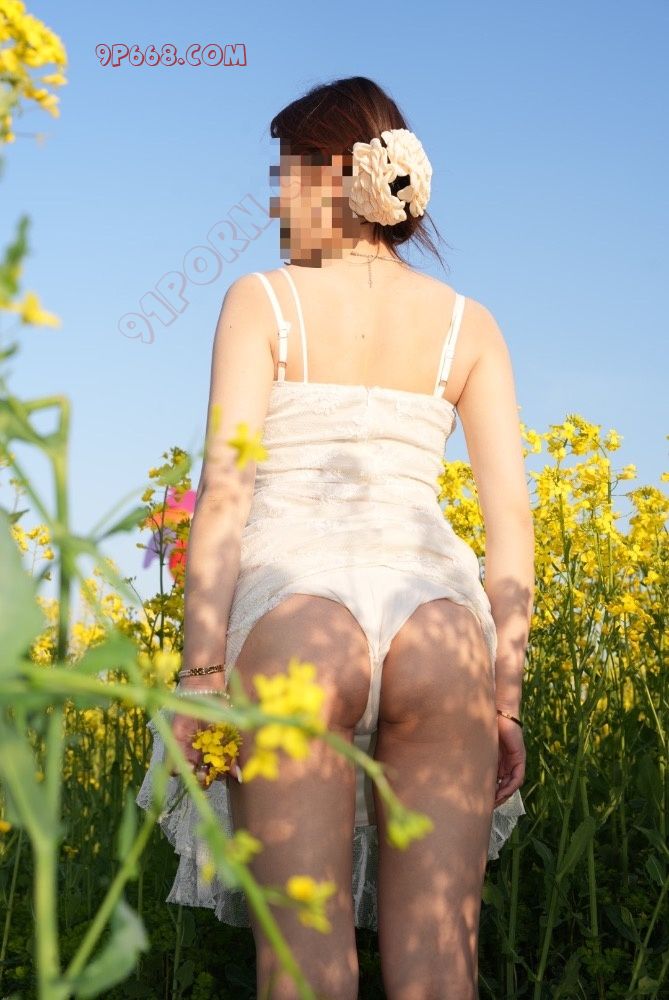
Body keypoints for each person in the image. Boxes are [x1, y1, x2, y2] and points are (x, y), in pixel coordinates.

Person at [136, 75, 533, 1000]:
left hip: (296, 621)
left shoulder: (262, 301)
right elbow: (510, 527)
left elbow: (225, 492)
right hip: (440, 632)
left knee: (303, 964)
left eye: (283, 177)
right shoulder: (469, 326)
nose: (277, 204)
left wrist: (201, 675)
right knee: (441, 970)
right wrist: (504, 703)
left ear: (328, 175)